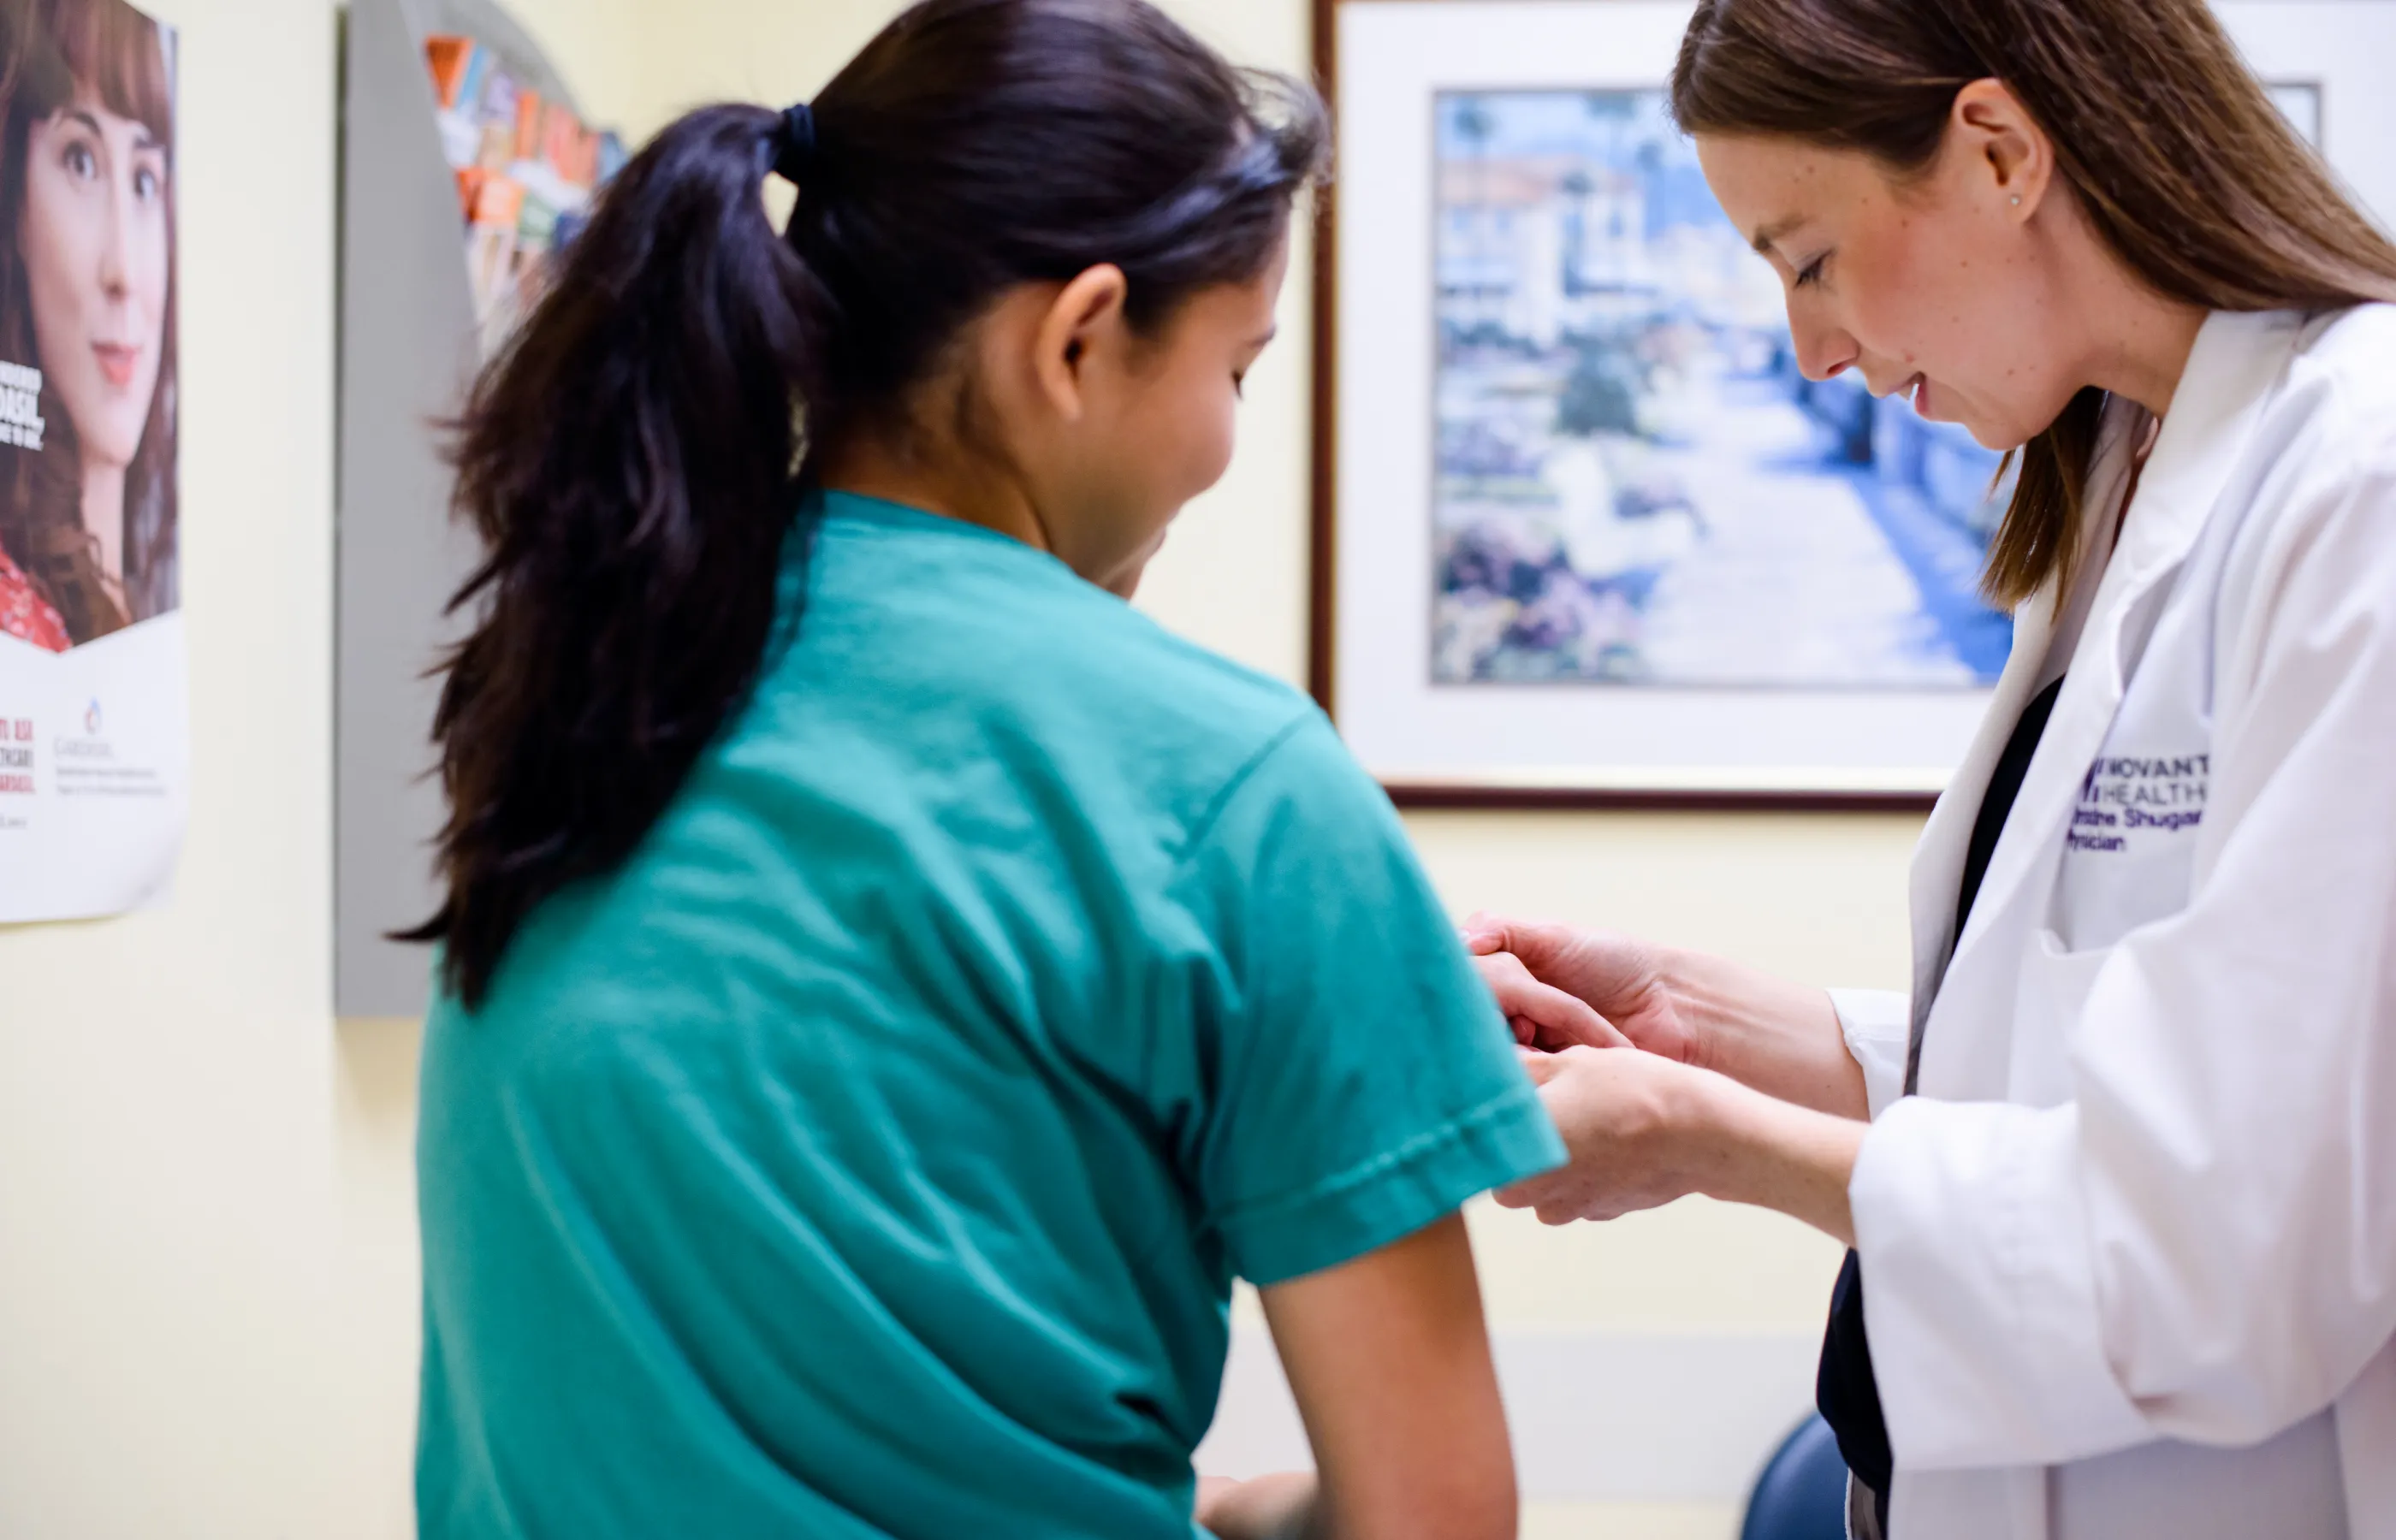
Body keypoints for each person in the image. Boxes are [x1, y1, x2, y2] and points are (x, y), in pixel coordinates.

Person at [406, 3, 1606, 1537]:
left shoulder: (573, 695)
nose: (1226, 437)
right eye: (1236, 370)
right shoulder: (1241, 793)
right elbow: (1433, 1521)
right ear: (1079, 339)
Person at [1472, 1, 2396, 1537]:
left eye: (1809, 260)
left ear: (1997, 152)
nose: (1812, 350)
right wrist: (1699, 1027)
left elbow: (2226, 1242)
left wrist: (1701, 1140)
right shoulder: (2122, 475)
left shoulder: (2360, 484)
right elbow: (2106, 1060)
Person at [0, 0, 177, 650]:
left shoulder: (145, 597)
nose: (124, 270)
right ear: (15, 210)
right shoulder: (17, 621)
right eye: (80, 160)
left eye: (143, 180)